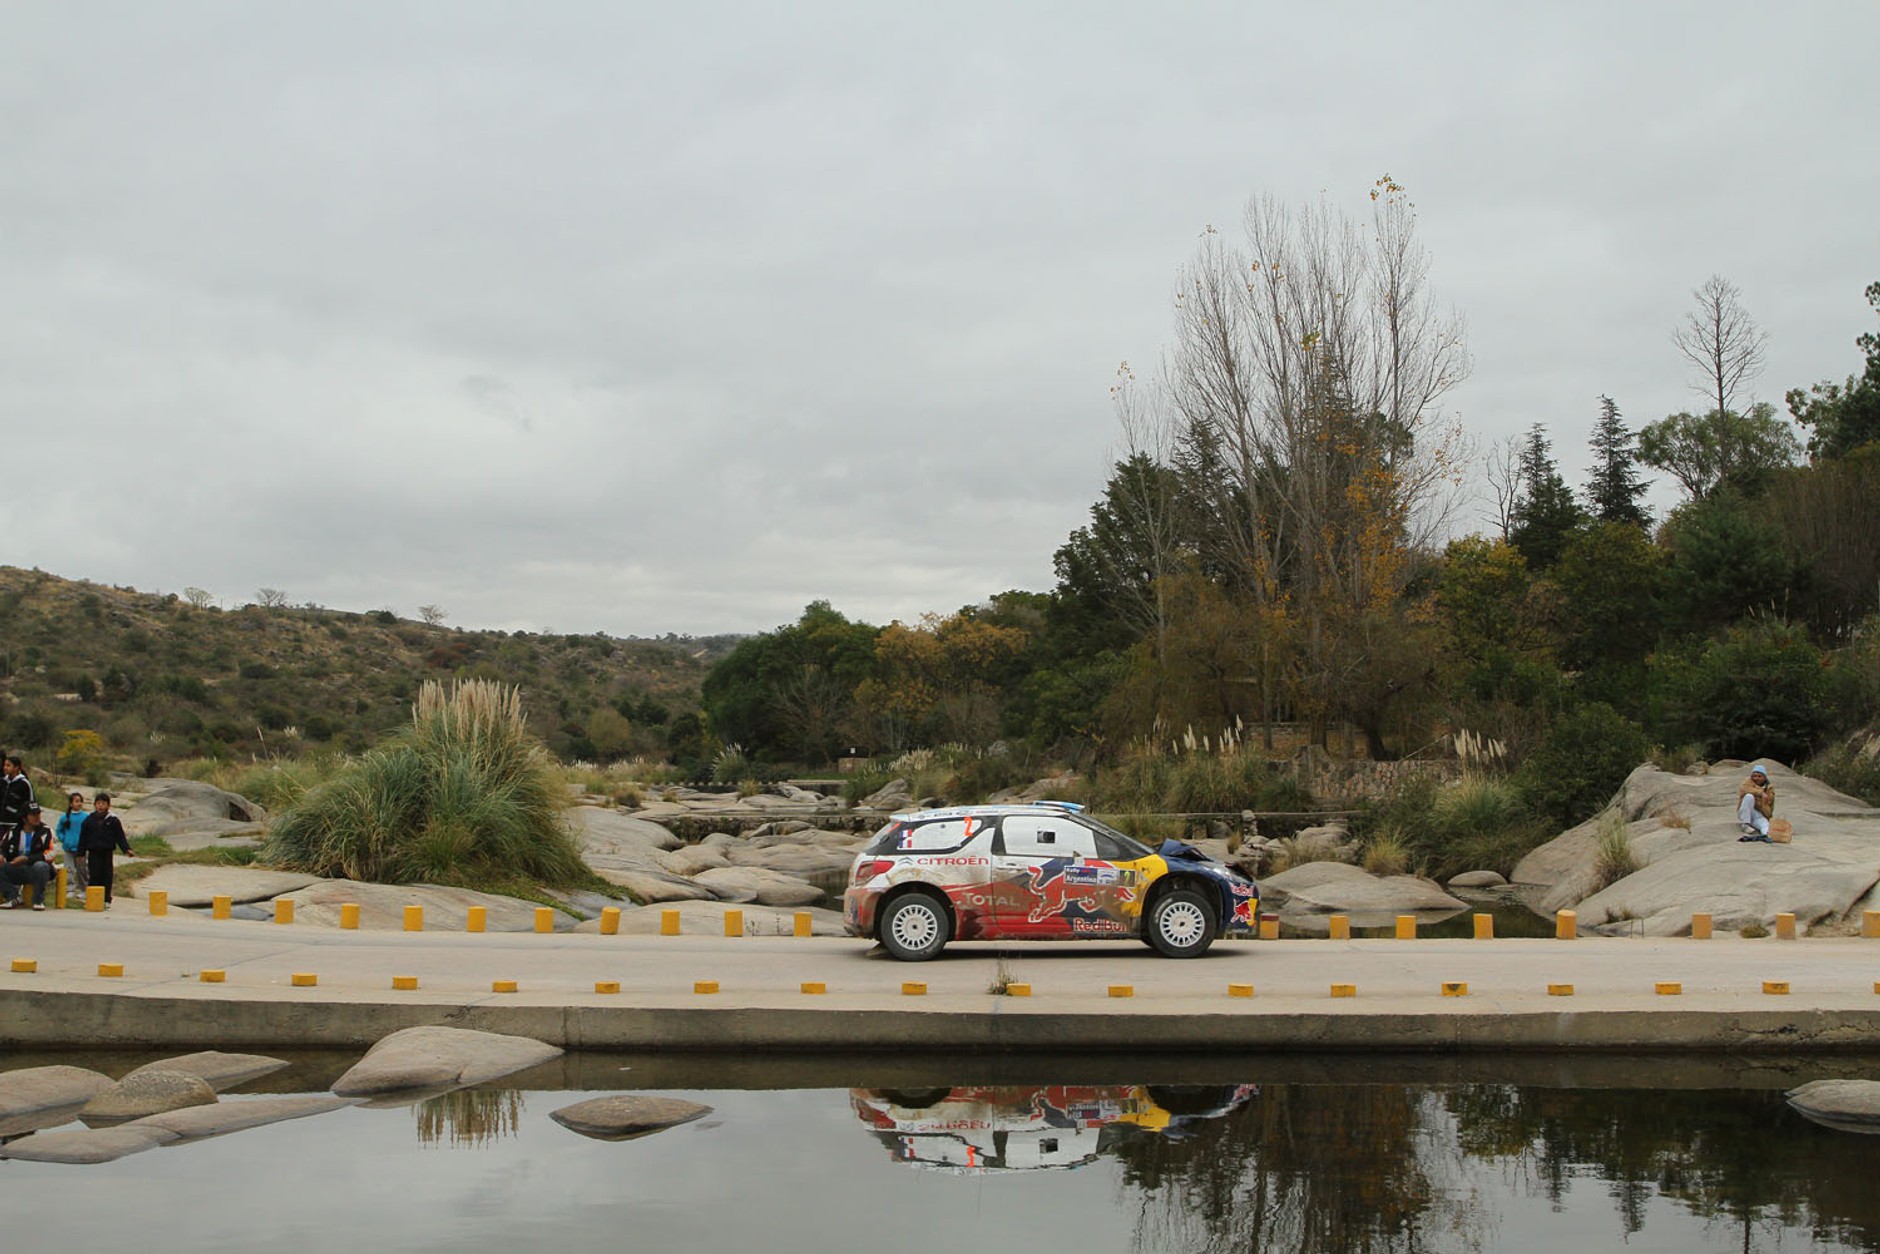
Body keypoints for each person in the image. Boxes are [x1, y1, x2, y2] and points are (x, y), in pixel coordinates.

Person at [77, 792, 132, 907]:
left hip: (107, 852)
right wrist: (80, 853)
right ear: (95, 805)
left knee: (106, 875)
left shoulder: (113, 820)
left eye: (103, 803)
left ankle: (106, 899)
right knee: (94, 875)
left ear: (108, 805)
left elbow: (120, 836)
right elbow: (83, 837)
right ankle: (93, 898)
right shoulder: (89, 820)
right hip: (93, 852)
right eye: (98, 803)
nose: (100, 806)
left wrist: (126, 849)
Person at [1, 805, 56, 910]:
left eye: (38, 814)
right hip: (19, 868)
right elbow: (4, 848)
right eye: (33, 815)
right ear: (24, 817)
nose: (37, 817)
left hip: (40, 869)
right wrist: (2, 855)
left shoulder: (46, 831)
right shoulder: (13, 831)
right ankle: (13, 897)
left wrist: (27, 859)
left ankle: (38, 901)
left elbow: (51, 854)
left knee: (40, 866)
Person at [56, 791, 88, 901]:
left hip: (81, 849)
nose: (79, 803)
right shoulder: (64, 817)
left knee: (82, 869)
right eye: (76, 801)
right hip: (68, 848)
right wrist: (64, 839)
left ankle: (84, 890)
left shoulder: (85, 817)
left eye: (80, 801)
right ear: (71, 804)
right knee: (69, 869)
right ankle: (70, 889)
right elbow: (59, 830)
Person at [1737, 763, 1776, 842]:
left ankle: (1765, 836)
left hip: (1759, 813)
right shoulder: (1748, 782)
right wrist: (1760, 793)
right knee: (1749, 796)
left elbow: (1771, 804)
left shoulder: (1769, 788)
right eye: (1754, 776)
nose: (1756, 778)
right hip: (1746, 811)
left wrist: (1769, 816)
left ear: (1764, 777)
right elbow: (1744, 789)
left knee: (1765, 825)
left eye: (1759, 776)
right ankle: (1745, 824)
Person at [0, 755, 34, 842]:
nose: (5, 768)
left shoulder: (24, 784)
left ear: (16, 767)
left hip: (15, 823)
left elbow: (31, 803)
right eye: (4, 765)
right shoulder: (2, 782)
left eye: (8, 765)